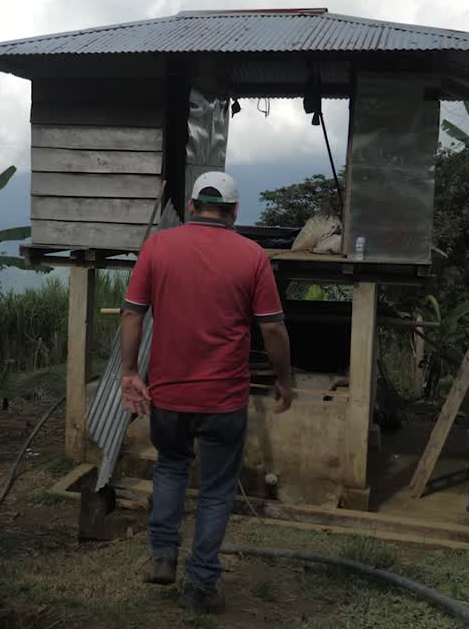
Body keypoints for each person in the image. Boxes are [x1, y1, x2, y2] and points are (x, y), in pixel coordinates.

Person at [119, 171, 295, 615]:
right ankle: (200, 585)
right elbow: (272, 327)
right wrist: (284, 379)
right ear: (234, 212)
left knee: (172, 468)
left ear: (194, 205)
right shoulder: (252, 256)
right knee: (216, 492)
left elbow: (132, 314)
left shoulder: (158, 247)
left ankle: (162, 556)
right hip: (224, 401)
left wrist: (128, 373)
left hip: (170, 395)